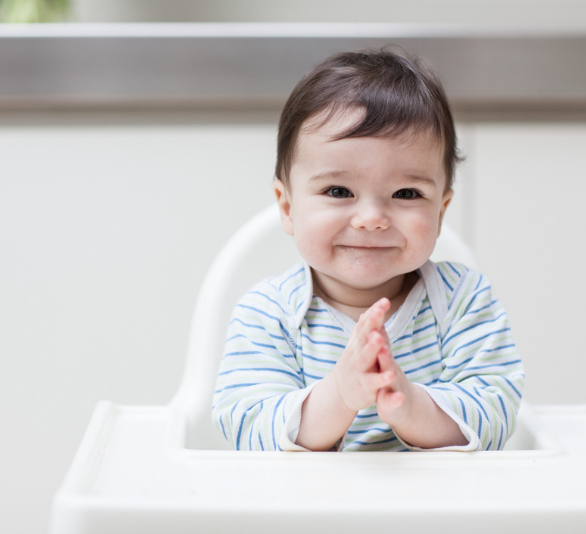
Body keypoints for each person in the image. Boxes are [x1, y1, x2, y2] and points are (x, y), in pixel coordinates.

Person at [212, 48, 524, 452]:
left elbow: (496, 411)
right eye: (338, 191)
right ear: (288, 208)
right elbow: (247, 426)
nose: (372, 217)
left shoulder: (463, 301)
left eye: (406, 193)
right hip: (304, 509)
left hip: (437, 507)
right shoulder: (268, 315)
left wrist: (410, 407)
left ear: (441, 210)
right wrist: (341, 394)